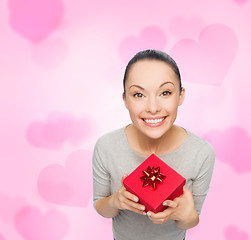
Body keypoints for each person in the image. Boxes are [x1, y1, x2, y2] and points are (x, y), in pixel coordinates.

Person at [92, 49, 215, 240]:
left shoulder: (201, 153)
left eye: (165, 92)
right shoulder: (106, 146)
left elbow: (190, 221)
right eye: (139, 95)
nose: (153, 107)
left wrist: (187, 215)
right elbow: (101, 207)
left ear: (180, 95)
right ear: (125, 99)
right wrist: (116, 201)